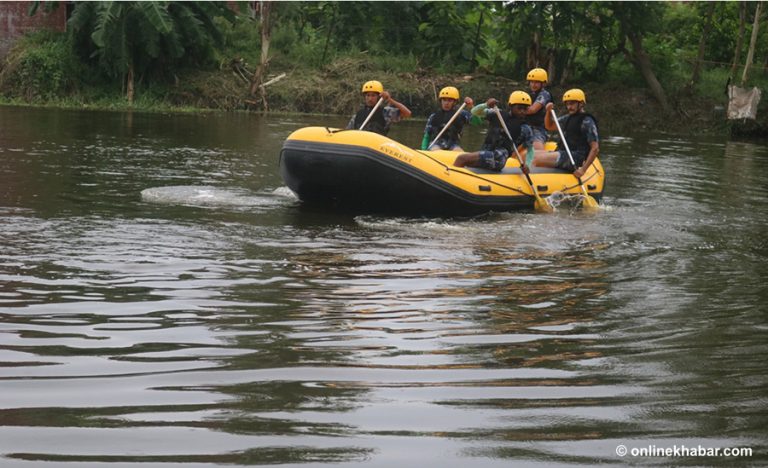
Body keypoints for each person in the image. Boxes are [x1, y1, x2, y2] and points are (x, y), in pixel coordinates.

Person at [453, 91, 535, 172]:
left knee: (462, 159)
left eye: (525, 109)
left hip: (498, 157)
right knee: (467, 164)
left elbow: (530, 149)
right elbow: (474, 111)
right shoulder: (497, 113)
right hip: (487, 150)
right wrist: (486, 105)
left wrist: (527, 165)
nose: (522, 111)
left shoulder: (526, 128)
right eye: (519, 108)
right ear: (510, 106)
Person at [533, 88, 599, 179]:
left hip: (575, 157)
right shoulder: (568, 118)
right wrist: (548, 112)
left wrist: (583, 169)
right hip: (564, 152)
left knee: (536, 159)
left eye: (572, 104)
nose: (569, 107)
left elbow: (595, 148)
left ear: (581, 104)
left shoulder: (587, 121)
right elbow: (549, 126)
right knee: (531, 155)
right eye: (567, 104)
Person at [346, 80, 412, 135]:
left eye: (373, 95)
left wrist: (390, 100)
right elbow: (347, 132)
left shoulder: (386, 112)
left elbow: (407, 113)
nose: (370, 99)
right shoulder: (358, 115)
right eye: (368, 95)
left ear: (379, 97)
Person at [421, 86, 474, 151]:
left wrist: (471, 107)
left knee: (459, 152)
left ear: (455, 102)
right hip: (436, 144)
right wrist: (423, 150)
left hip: (453, 145)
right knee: (436, 150)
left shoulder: (461, 114)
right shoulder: (434, 116)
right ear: (441, 101)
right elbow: (427, 135)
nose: (446, 103)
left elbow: (477, 122)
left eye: (450, 100)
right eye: (444, 100)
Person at [525, 68, 553, 151]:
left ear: (543, 83)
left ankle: (540, 157)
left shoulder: (545, 94)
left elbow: (533, 110)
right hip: (525, 126)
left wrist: (519, 111)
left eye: (536, 82)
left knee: (536, 145)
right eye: (531, 82)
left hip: (538, 128)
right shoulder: (528, 94)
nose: (533, 85)